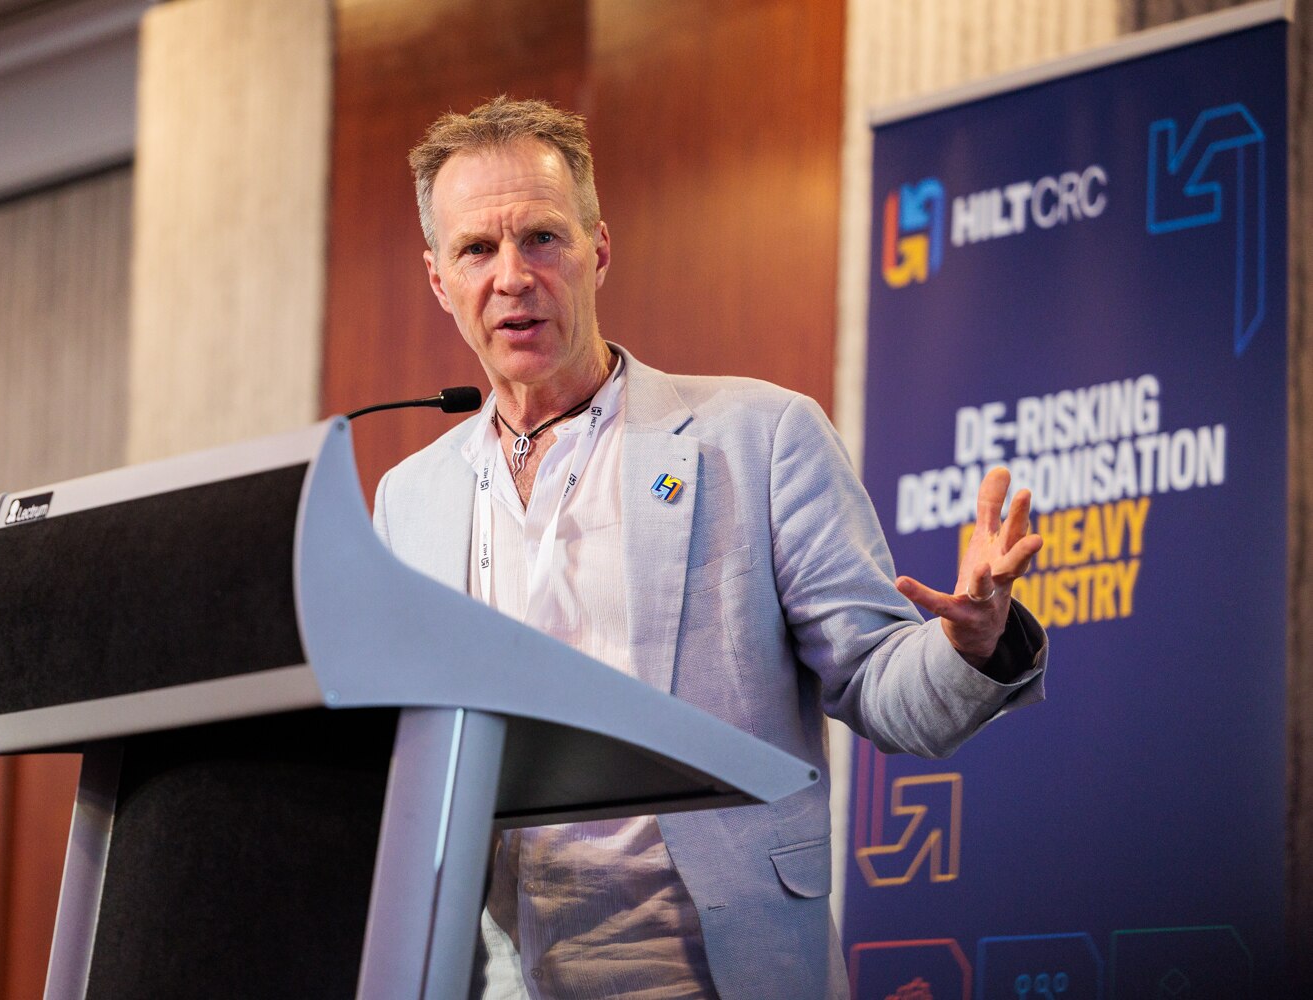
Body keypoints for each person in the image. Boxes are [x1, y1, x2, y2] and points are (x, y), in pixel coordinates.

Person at [373, 97, 1047, 1000]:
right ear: (436, 278)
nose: (513, 277)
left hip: (707, 962)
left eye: (541, 238)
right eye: (476, 250)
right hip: (490, 972)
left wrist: (972, 642)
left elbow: (882, 687)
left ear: (597, 248)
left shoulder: (758, 438)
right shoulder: (408, 500)